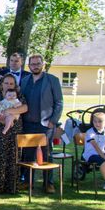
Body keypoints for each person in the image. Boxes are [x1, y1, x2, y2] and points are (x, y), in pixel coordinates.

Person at [19, 54, 63, 193]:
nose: (35, 66)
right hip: (27, 123)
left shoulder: (52, 80)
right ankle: (27, 181)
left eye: (38, 63)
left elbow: (59, 102)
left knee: (46, 154)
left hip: (45, 124)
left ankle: (48, 183)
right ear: (29, 66)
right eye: (33, 64)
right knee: (27, 154)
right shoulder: (25, 80)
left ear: (42, 64)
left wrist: (53, 121)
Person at [0, 74, 28, 193]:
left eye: (11, 83)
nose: (8, 85)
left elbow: (24, 108)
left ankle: (10, 187)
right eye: (6, 83)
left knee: (11, 158)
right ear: (1, 84)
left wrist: (9, 111)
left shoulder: (18, 96)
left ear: (15, 85)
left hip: (13, 132)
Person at [82, 112, 105, 196]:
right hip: (90, 154)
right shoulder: (90, 132)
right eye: (95, 122)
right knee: (102, 162)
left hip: (102, 153)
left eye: (100, 122)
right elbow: (96, 148)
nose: (97, 124)